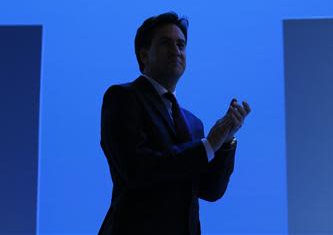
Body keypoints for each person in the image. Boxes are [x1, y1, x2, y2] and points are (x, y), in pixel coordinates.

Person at [99, 12, 251, 234]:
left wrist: (225, 142)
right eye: (165, 43)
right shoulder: (123, 98)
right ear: (144, 55)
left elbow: (210, 190)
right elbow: (137, 169)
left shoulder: (192, 122)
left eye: (181, 44)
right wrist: (208, 145)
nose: (176, 50)